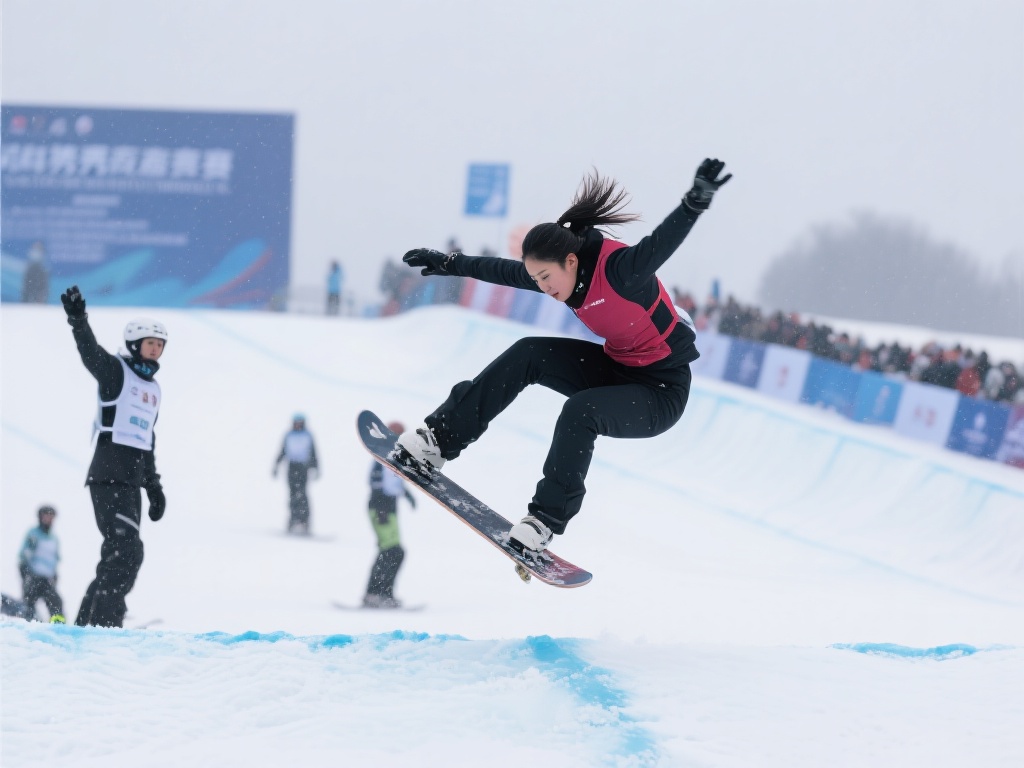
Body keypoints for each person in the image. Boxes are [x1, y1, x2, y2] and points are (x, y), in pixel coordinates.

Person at [396, 159, 731, 554]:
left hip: (661, 391)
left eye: (545, 278)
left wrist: (694, 203)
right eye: (536, 280)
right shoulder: (561, 275)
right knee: (529, 352)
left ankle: (543, 522)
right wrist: (451, 263)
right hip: (617, 368)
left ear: (571, 262)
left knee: (581, 410)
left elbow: (662, 243)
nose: (542, 286)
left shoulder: (621, 271)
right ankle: (439, 440)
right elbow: (503, 271)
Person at [60, 286, 167, 628]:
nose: (156, 349)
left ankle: (86, 625)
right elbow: (90, 353)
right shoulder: (116, 373)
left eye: (160, 345)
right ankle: (105, 625)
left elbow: (147, 441)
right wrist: (78, 320)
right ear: (136, 344)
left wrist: (153, 487)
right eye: (151, 343)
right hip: (108, 474)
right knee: (124, 550)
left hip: (132, 480)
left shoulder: (153, 390)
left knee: (122, 555)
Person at [363, 421, 417, 608]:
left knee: (392, 552)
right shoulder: (381, 456)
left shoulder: (396, 458)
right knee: (393, 552)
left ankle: (380, 594)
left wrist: (408, 496)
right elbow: (374, 482)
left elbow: (395, 483)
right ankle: (376, 595)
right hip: (381, 508)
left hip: (390, 509)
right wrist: (381, 509)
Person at [273, 414, 320, 534]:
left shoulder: (308, 435)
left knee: (303, 494)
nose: (298, 425)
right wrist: (276, 465)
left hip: (303, 467)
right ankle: (293, 519)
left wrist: (316, 467)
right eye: (296, 422)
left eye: (300, 422)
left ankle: (305, 521)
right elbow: (282, 451)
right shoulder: (289, 435)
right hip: (291, 466)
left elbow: (314, 452)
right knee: (292, 494)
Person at [18, 505, 65, 623]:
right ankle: (30, 626)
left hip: (47, 578)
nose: (49, 519)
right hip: (33, 576)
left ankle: (58, 626)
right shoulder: (33, 534)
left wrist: (54, 575)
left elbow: (55, 559)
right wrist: (26, 574)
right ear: (40, 517)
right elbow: (24, 555)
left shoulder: (54, 539)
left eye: (51, 517)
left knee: (56, 602)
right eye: (46, 516)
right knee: (29, 604)